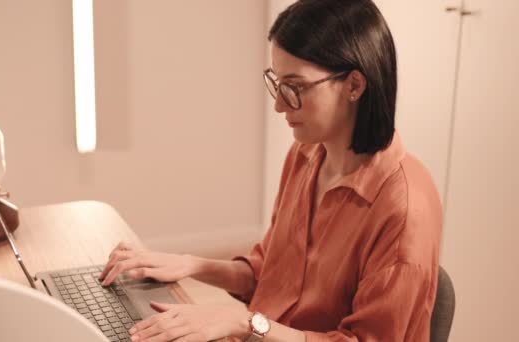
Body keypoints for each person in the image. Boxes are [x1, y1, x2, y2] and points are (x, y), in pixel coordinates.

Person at [99, 0, 442, 341]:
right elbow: (269, 275)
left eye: (295, 87)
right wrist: (190, 265)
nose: (279, 104)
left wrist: (245, 324)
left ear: (354, 85)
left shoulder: (404, 208)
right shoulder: (305, 156)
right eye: (277, 82)